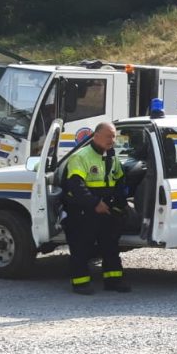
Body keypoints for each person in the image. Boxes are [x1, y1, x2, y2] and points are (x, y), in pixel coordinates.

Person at [62, 121, 129, 294]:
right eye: (108, 136)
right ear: (96, 136)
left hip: (104, 209)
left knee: (110, 247)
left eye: (114, 136)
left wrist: (119, 206)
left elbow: (120, 182)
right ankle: (80, 283)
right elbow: (76, 186)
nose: (112, 140)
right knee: (81, 248)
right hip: (83, 211)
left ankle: (113, 281)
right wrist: (94, 204)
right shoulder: (81, 157)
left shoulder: (111, 157)